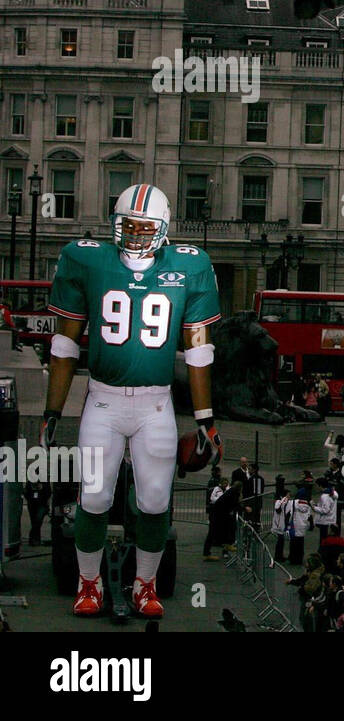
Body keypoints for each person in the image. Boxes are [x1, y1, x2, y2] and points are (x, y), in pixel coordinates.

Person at [42, 183, 222, 619]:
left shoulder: (190, 265)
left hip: (156, 403)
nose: (138, 235)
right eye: (130, 225)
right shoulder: (87, 259)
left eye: (146, 227)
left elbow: (198, 349)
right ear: (114, 225)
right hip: (103, 400)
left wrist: (205, 418)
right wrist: (52, 410)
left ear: (164, 230)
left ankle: (145, 585)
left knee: (156, 500)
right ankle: (89, 583)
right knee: (96, 497)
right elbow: (65, 345)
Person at [203, 478, 229, 561]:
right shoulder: (216, 489)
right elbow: (212, 499)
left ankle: (225, 551)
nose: (225, 485)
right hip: (215, 514)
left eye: (226, 483)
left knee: (225, 533)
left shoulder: (228, 490)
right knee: (211, 533)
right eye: (224, 483)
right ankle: (207, 553)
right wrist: (222, 500)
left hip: (224, 514)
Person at [288, 488, 313, 565]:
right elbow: (310, 517)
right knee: (300, 544)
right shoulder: (308, 506)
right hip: (303, 527)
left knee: (293, 544)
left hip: (294, 526)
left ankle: (292, 558)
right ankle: (299, 559)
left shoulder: (293, 503)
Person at [23, 479, 50, 547]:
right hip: (32, 504)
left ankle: (33, 539)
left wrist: (42, 489)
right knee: (35, 522)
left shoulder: (45, 482)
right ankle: (36, 540)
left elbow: (48, 493)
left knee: (38, 521)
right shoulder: (30, 482)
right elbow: (26, 492)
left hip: (41, 504)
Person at [312, 480, 337, 550]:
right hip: (331, 519)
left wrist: (314, 508)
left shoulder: (325, 496)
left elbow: (325, 510)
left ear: (320, 486)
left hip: (324, 520)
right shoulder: (333, 493)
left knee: (323, 539)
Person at [271, 490, 292, 562]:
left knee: (281, 541)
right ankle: (278, 556)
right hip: (278, 525)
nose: (289, 497)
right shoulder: (279, 502)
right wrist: (283, 500)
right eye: (288, 495)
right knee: (280, 541)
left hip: (282, 524)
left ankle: (280, 555)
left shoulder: (288, 503)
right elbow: (278, 509)